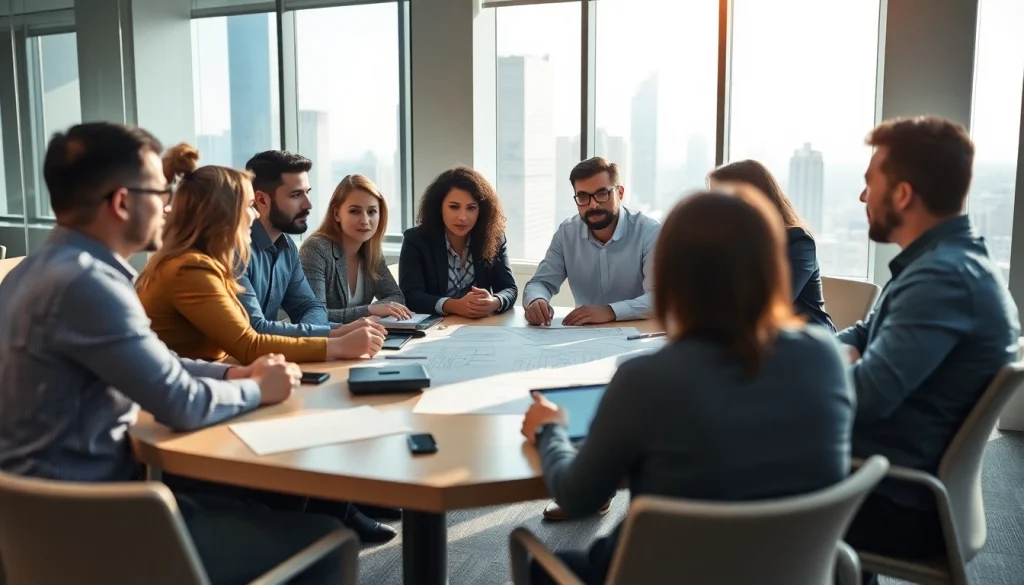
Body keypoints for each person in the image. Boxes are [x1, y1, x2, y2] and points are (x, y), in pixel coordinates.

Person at [0, 122, 344, 584]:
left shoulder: (35, 271)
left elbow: (153, 361)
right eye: (160, 192)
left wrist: (229, 377)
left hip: (37, 522)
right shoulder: (90, 283)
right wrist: (256, 390)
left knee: (263, 500)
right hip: (99, 524)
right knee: (327, 537)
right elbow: (180, 402)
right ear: (123, 202)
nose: (169, 205)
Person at [520, 190, 854, 585]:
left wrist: (549, 429)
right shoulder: (825, 358)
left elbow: (578, 498)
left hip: (657, 573)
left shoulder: (646, 380)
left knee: (539, 567)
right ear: (772, 267)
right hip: (794, 571)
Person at [838, 116, 1019, 584]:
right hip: (890, 477)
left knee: (719, 474)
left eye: (868, 183)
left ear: (902, 194)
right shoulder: (940, 264)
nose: (863, 198)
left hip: (900, 501)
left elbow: (866, 397)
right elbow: (861, 336)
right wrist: (811, 351)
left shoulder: (944, 279)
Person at [136, 144, 385, 364]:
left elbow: (307, 308)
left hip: (209, 375)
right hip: (179, 389)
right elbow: (250, 341)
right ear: (222, 214)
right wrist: (338, 341)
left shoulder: (217, 259)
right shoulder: (193, 267)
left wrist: (338, 332)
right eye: (248, 206)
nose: (254, 215)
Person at [239, 150, 386, 340]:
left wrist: (336, 330)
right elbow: (253, 329)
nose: (308, 204)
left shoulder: (287, 248)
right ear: (261, 200)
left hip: (268, 354)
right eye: (295, 195)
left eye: (307, 193)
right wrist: (335, 332)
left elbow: (310, 307)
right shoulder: (236, 249)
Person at [523, 157, 660, 328]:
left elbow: (660, 298)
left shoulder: (649, 232)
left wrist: (610, 311)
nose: (593, 204)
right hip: (583, 333)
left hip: (637, 332)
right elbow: (540, 283)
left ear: (620, 193)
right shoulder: (567, 233)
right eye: (583, 197)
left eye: (602, 194)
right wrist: (536, 300)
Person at [708, 159, 835, 332]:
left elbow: (772, 305)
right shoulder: (733, 242)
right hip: (754, 341)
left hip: (807, 345)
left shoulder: (798, 241)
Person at [399, 166, 518, 317]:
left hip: (480, 328)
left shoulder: (493, 238)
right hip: (434, 329)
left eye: (471, 208)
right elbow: (410, 296)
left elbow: (509, 289)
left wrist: (495, 302)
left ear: (481, 210)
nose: (462, 217)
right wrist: (454, 306)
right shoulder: (415, 240)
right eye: (454, 207)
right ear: (439, 207)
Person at [300, 174, 412, 323]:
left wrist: (377, 309)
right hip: (323, 341)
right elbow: (315, 316)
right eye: (355, 211)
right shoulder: (316, 249)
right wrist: (369, 310)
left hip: (357, 337)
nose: (365, 221)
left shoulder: (372, 251)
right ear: (336, 214)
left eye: (372, 212)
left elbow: (396, 297)